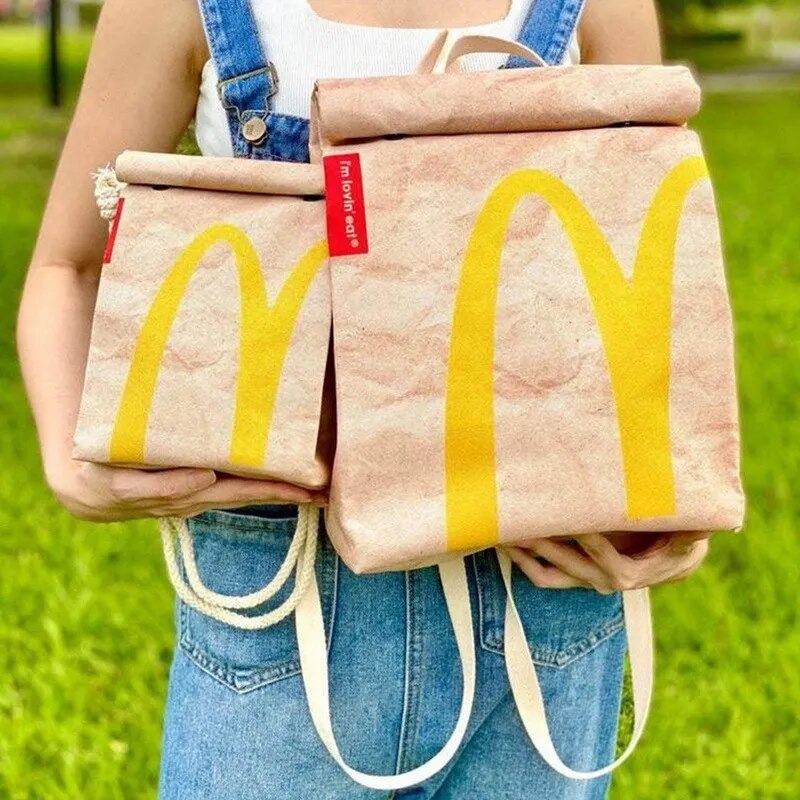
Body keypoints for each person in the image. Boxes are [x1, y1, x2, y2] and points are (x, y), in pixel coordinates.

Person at [17, 1, 712, 797]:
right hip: (279, 580)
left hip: (545, 591)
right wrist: (67, 460)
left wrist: (664, 506)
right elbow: (63, 267)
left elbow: (647, 266)